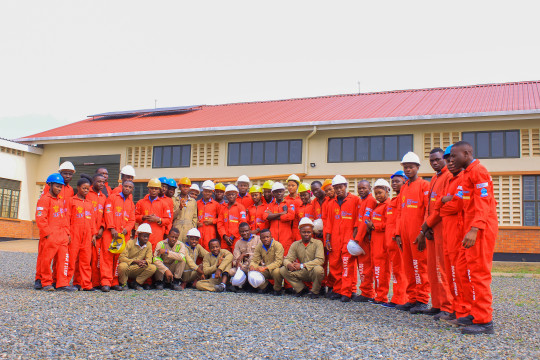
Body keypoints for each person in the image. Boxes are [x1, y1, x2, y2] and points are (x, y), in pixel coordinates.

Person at [449, 141, 498, 335]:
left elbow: (484, 202)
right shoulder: (466, 174)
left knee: (479, 274)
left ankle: (485, 321)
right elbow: (463, 200)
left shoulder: (479, 171)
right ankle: (474, 312)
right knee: (467, 271)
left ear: (467, 153)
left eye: (454, 156)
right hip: (470, 229)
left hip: (480, 229)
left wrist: (475, 228)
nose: (451, 160)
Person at [437, 145, 472, 323]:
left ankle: (464, 311)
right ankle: (456, 309)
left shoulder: (464, 179)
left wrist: (444, 204)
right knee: (451, 273)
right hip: (448, 233)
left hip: (459, 233)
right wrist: (444, 202)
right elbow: (441, 204)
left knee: (460, 274)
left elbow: (457, 205)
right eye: (447, 158)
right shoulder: (450, 180)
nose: (450, 161)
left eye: (452, 157)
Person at [394, 152, 431, 314]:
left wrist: (423, 232)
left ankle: (422, 299)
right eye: (405, 167)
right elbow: (399, 213)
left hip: (417, 236)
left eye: (411, 167)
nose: (408, 170)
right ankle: (412, 298)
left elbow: (427, 211)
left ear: (417, 168)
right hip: (404, 236)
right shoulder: (404, 188)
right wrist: (397, 234)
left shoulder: (424, 186)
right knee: (408, 268)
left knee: (420, 267)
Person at [419, 148, 454, 318]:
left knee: (442, 268)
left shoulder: (449, 176)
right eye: (431, 160)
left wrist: (427, 225)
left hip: (441, 228)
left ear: (445, 159)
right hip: (431, 229)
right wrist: (426, 227)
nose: (434, 163)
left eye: (437, 160)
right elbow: (429, 206)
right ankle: (437, 303)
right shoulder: (434, 178)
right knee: (432, 268)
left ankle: (448, 306)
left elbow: (442, 207)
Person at [35, 161, 76, 288]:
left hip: (62, 233)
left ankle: (61, 283)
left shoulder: (65, 196)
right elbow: (41, 217)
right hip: (50, 233)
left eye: (60, 187)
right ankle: (43, 281)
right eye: (57, 186)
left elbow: (65, 216)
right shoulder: (45, 197)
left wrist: (67, 233)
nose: (59, 188)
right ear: (51, 185)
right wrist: (47, 233)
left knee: (63, 259)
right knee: (46, 259)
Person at [325, 175, 359, 302]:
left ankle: (347, 292)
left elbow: (357, 221)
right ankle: (338, 290)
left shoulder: (355, 200)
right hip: (334, 239)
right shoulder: (331, 203)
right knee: (334, 265)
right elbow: (329, 223)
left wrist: (354, 239)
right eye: (336, 188)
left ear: (346, 186)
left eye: (340, 187)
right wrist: (327, 240)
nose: (338, 190)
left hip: (348, 239)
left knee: (347, 265)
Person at [101, 180, 136, 292]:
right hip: (110, 233)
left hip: (122, 235)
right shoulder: (112, 198)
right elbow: (108, 212)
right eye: (125, 186)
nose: (127, 188)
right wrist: (111, 228)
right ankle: (106, 282)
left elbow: (132, 219)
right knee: (107, 257)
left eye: (130, 187)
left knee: (118, 258)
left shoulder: (131, 203)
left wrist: (127, 229)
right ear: (122, 187)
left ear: (132, 190)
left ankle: (115, 281)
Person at [279, 217, 325, 299]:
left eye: (309, 232)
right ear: (299, 232)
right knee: (283, 269)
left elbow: (320, 260)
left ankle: (315, 292)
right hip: (301, 272)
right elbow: (287, 259)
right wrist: (289, 264)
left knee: (319, 269)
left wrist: (302, 265)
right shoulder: (295, 244)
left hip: (312, 271)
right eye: (304, 232)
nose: (306, 234)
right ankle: (301, 289)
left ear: (312, 232)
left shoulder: (318, 243)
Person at [384, 171, 409, 307]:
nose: (394, 184)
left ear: (405, 181)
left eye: (397, 181)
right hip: (391, 242)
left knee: (401, 270)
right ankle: (396, 297)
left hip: (398, 240)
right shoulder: (394, 200)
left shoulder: (403, 200)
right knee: (396, 271)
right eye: (393, 182)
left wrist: (398, 235)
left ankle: (402, 299)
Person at [67, 178, 96, 291]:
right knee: (71, 259)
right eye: (83, 188)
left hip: (87, 236)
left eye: (87, 189)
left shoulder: (89, 203)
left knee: (85, 261)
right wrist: (67, 233)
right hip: (74, 235)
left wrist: (93, 234)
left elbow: (92, 220)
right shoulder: (71, 201)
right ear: (78, 188)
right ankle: (65, 283)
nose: (85, 190)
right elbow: (67, 218)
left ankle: (86, 284)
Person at [365, 179, 391, 305]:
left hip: (383, 244)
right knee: (377, 270)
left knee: (382, 271)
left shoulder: (388, 205)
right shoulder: (378, 206)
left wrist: (374, 225)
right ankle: (378, 295)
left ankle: (382, 296)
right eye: (376, 193)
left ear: (387, 191)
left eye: (380, 193)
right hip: (375, 243)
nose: (378, 196)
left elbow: (389, 224)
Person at [353, 180, 378, 302]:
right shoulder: (362, 201)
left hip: (365, 239)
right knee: (362, 266)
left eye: (364, 188)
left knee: (366, 266)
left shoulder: (370, 201)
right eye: (359, 188)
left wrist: (358, 238)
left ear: (370, 188)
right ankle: (365, 291)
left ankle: (368, 292)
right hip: (360, 238)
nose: (361, 190)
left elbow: (366, 221)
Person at [117, 223, 157, 290]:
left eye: (147, 236)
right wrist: (134, 261)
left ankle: (136, 283)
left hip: (138, 268)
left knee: (152, 267)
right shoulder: (130, 243)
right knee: (122, 266)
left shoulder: (148, 245)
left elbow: (149, 259)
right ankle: (123, 283)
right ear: (138, 235)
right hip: (128, 267)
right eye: (144, 236)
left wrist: (145, 262)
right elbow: (121, 258)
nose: (146, 238)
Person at [135, 178, 171, 251]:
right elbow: (135, 217)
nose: (154, 190)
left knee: (154, 256)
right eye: (152, 188)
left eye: (156, 189)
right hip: (142, 235)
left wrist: (158, 219)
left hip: (157, 235)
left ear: (159, 190)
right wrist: (143, 217)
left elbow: (168, 220)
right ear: (148, 189)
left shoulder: (164, 204)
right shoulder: (141, 202)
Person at [87, 173, 107, 290]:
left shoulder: (104, 197)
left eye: (103, 182)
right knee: (86, 258)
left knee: (96, 259)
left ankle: (95, 282)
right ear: (93, 181)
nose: (101, 184)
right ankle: (82, 281)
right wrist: (92, 232)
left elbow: (105, 215)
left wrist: (102, 228)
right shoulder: (87, 194)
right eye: (99, 181)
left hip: (99, 233)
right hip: (88, 232)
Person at [264, 182, 296, 255]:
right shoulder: (270, 205)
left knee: (286, 258)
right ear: (273, 193)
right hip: (273, 237)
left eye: (280, 191)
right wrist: (281, 213)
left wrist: (273, 216)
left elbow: (291, 216)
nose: (279, 193)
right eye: (276, 192)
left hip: (286, 237)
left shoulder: (289, 203)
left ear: (284, 192)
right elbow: (266, 216)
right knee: (273, 257)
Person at [249, 229, 284, 295]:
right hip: (265, 269)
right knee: (251, 271)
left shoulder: (278, 245)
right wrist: (252, 266)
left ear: (271, 237)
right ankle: (266, 287)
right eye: (263, 238)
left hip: (275, 268)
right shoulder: (259, 246)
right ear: (260, 239)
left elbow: (279, 262)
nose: (266, 239)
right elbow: (255, 260)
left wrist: (265, 267)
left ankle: (277, 289)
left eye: (267, 237)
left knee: (277, 272)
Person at [229, 222, 261, 291]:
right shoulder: (238, 243)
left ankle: (253, 285)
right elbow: (236, 259)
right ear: (239, 232)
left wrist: (244, 255)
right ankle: (243, 284)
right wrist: (239, 264)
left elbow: (259, 255)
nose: (244, 233)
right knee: (231, 271)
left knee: (253, 259)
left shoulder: (258, 239)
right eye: (242, 231)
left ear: (250, 230)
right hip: (243, 267)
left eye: (246, 231)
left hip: (255, 267)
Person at [217, 185, 247, 252]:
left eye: (233, 194)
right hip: (225, 240)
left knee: (236, 258)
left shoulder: (241, 207)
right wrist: (224, 236)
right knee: (225, 259)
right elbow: (219, 224)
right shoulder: (223, 208)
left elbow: (242, 223)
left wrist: (233, 236)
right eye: (229, 195)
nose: (231, 196)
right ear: (226, 196)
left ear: (236, 195)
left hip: (236, 239)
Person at [173, 177, 198, 243]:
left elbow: (195, 217)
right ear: (180, 187)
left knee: (187, 250)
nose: (185, 188)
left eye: (187, 186)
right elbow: (172, 216)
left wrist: (193, 228)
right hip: (177, 230)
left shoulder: (193, 201)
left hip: (189, 230)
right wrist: (180, 208)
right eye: (183, 186)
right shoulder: (174, 200)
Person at [197, 180, 220, 250]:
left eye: (209, 192)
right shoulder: (197, 203)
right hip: (199, 231)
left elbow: (220, 219)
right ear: (202, 191)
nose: (207, 193)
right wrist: (196, 222)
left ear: (212, 193)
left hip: (210, 232)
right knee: (198, 250)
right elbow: (193, 217)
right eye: (206, 191)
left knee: (209, 251)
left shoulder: (216, 205)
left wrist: (212, 221)